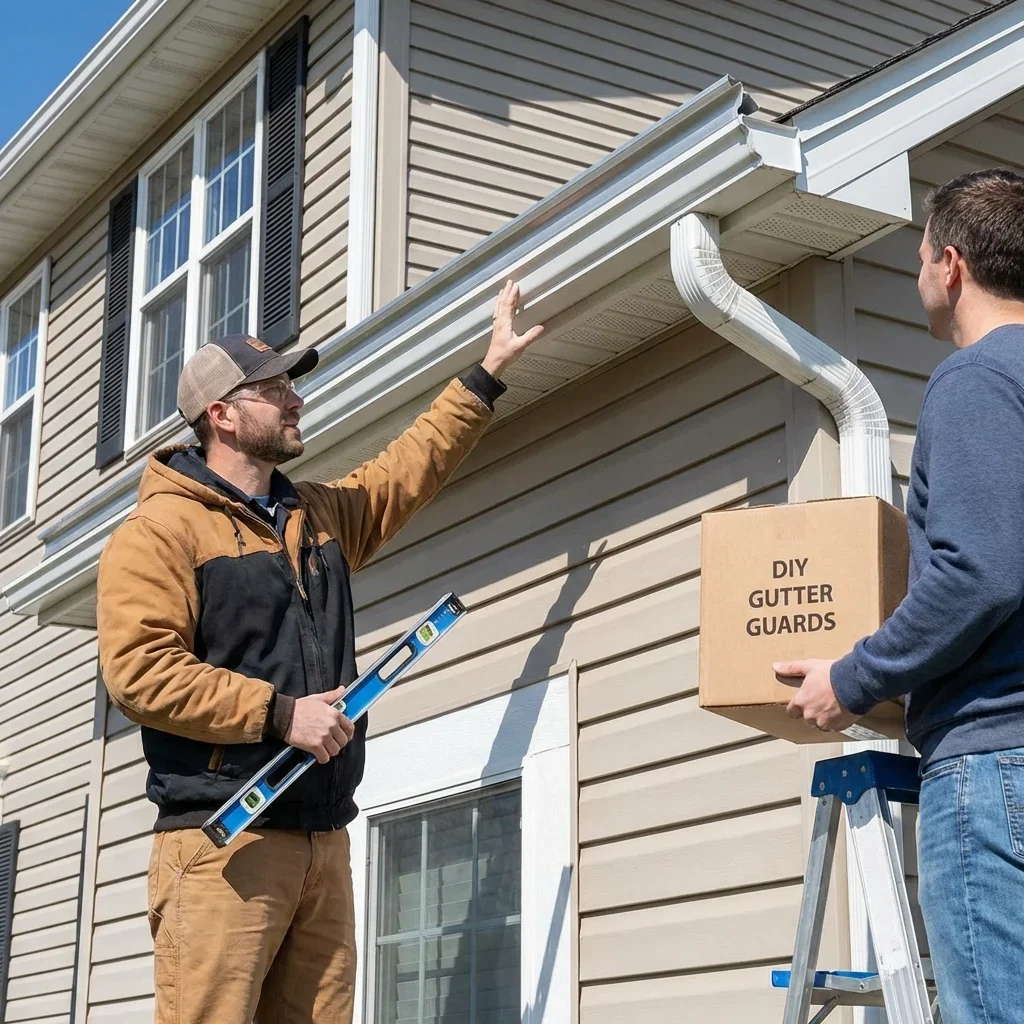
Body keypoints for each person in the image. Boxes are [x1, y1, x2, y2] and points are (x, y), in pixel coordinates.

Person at [96, 281, 543, 1024]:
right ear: (223, 415)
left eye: (292, 387)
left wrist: (488, 372)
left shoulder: (317, 516)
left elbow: (407, 469)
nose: (295, 400)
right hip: (223, 847)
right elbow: (140, 673)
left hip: (323, 842)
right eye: (274, 391)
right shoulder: (159, 532)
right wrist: (278, 715)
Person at [775, 169, 1024, 1024]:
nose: (917, 271)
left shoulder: (977, 382)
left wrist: (855, 675)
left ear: (951, 265)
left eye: (919, 254)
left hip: (997, 763)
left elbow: (978, 571)